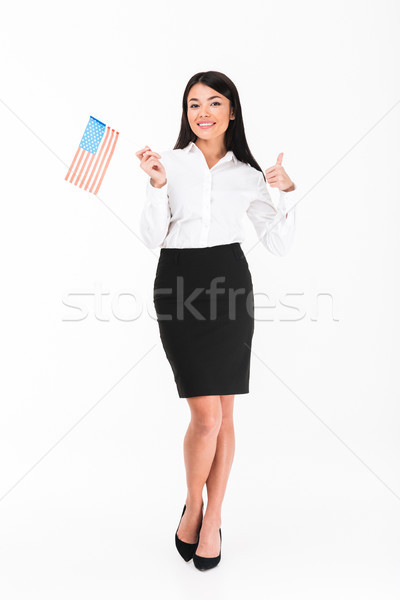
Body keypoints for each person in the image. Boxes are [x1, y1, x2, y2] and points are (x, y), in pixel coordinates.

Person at [136, 71, 297, 571]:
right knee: (205, 417)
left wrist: (286, 192)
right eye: (193, 104)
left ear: (232, 111)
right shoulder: (171, 163)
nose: (202, 112)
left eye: (213, 102)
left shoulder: (248, 174)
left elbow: (280, 243)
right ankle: (193, 503)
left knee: (225, 415)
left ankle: (212, 519)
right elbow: (150, 237)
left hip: (229, 283)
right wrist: (157, 185)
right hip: (179, 281)